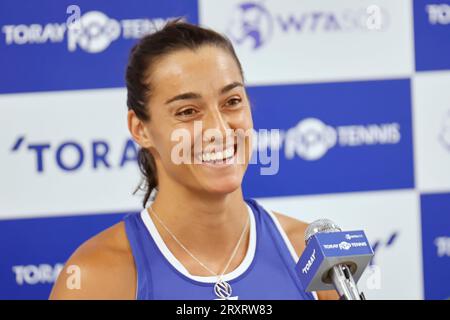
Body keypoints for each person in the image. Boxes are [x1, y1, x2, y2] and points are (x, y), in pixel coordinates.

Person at [50, 20, 338, 300]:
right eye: (187, 111)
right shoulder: (95, 277)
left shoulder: (311, 252)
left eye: (232, 101)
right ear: (140, 129)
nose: (219, 129)